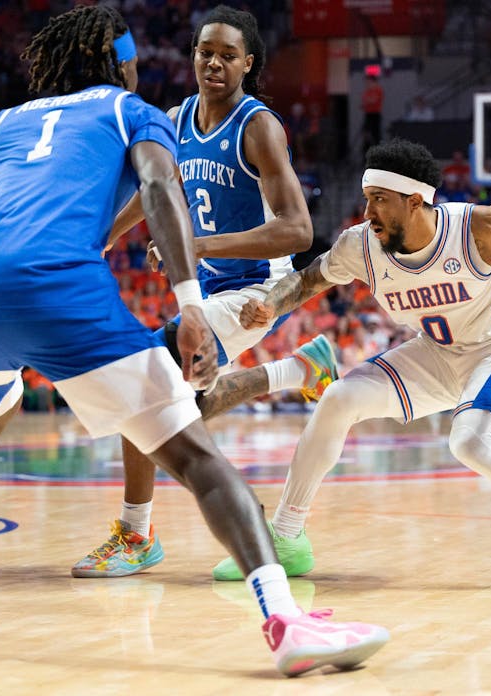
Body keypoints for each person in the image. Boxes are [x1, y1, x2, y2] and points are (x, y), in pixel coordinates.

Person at [0, 6, 388, 677]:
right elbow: (161, 185)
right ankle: (286, 620)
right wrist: (189, 303)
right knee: (194, 455)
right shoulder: (134, 111)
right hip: (59, 292)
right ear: (122, 62)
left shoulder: (5, 125)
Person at [214, 138, 491, 595]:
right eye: (367, 199)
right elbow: (306, 280)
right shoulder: (359, 246)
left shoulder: (480, 227)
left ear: (414, 201)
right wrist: (270, 304)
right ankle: (287, 537)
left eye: (379, 200)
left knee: (472, 445)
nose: (368, 212)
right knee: (338, 397)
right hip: (435, 354)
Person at [73, 5, 339, 580]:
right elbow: (154, 194)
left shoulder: (259, 126)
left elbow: (299, 231)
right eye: (205, 51)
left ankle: (137, 533)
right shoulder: (175, 117)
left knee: (147, 380)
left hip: (255, 291)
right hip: (201, 290)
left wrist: (199, 246)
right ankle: (298, 372)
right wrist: (99, 239)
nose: (214, 62)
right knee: (180, 408)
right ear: (192, 56)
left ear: (248, 63)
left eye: (227, 54)